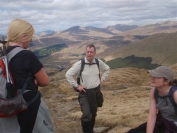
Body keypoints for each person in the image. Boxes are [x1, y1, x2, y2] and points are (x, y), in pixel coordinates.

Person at [0, 19, 54, 133]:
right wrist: (35, 79)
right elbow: (45, 82)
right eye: (30, 36)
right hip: (29, 104)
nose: (31, 39)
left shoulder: (3, 54)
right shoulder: (27, 55)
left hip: (7, 104)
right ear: (22, 36)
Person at [65, 44, 110, 133]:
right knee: (86, 114)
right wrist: (77, 86)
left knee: (93, 114)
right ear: (85, 52)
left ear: (95, 53)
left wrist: (102, 79)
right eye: (87, 52)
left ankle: (90, 131)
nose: (89, 54)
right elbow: (68, 74)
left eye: (91, 52)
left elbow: (107, 68)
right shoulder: (80, 64)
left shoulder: (98, 62)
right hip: (84, 93)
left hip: (95, 92)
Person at [127, 66, 177, 133]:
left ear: (166, 81)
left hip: (174, 126)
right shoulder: (154, 91)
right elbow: (152, 115)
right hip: (162, 121)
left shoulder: (175, 94)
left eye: (156, 77)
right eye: (153, 76)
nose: (152, 78)